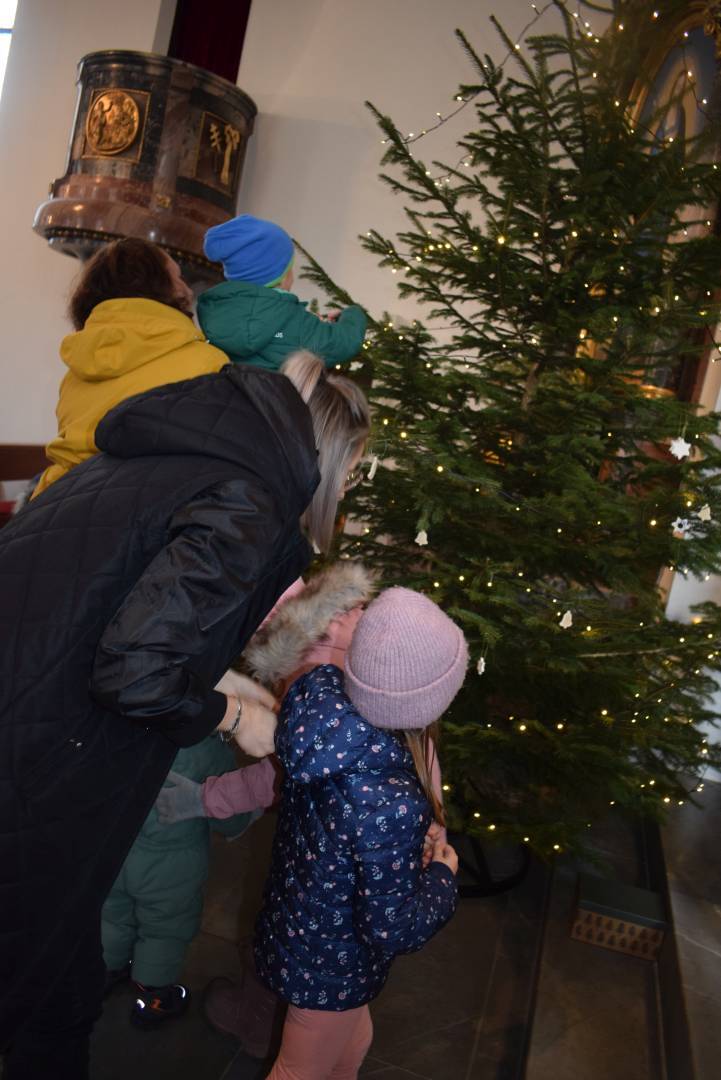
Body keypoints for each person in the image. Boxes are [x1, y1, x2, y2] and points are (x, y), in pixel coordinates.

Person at [0, 351, 370, 1079]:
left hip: (28, 703)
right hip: (34, 751)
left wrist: (225, 678)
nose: (348, 488)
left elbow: (121, 611)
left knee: (60, 976)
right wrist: (235, 717)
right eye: (355, 471)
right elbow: (134, 671)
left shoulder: (177, 453)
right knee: (33, 970)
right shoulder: (247, 498)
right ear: (328, 456)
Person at [254, 586, 466, 1079]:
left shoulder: (318, 702)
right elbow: (394, 927)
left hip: (303, 922)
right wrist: (442, 878)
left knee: (354, 1044)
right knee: (298, 1070)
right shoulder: (390, 802)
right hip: (333, 965)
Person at [32, 236, 228, 498]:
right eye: (179, 278)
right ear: (160, 287)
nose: (189, 290)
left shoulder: (76, 369)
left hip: (57, 501)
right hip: (145, 507)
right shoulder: (208, 363)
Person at [198, 214, 367, 372]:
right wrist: (352, 313)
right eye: (290, 268)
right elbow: (341, 342)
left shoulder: (215, 313)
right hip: (278, 394)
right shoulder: (293, 322)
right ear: (282, 277)